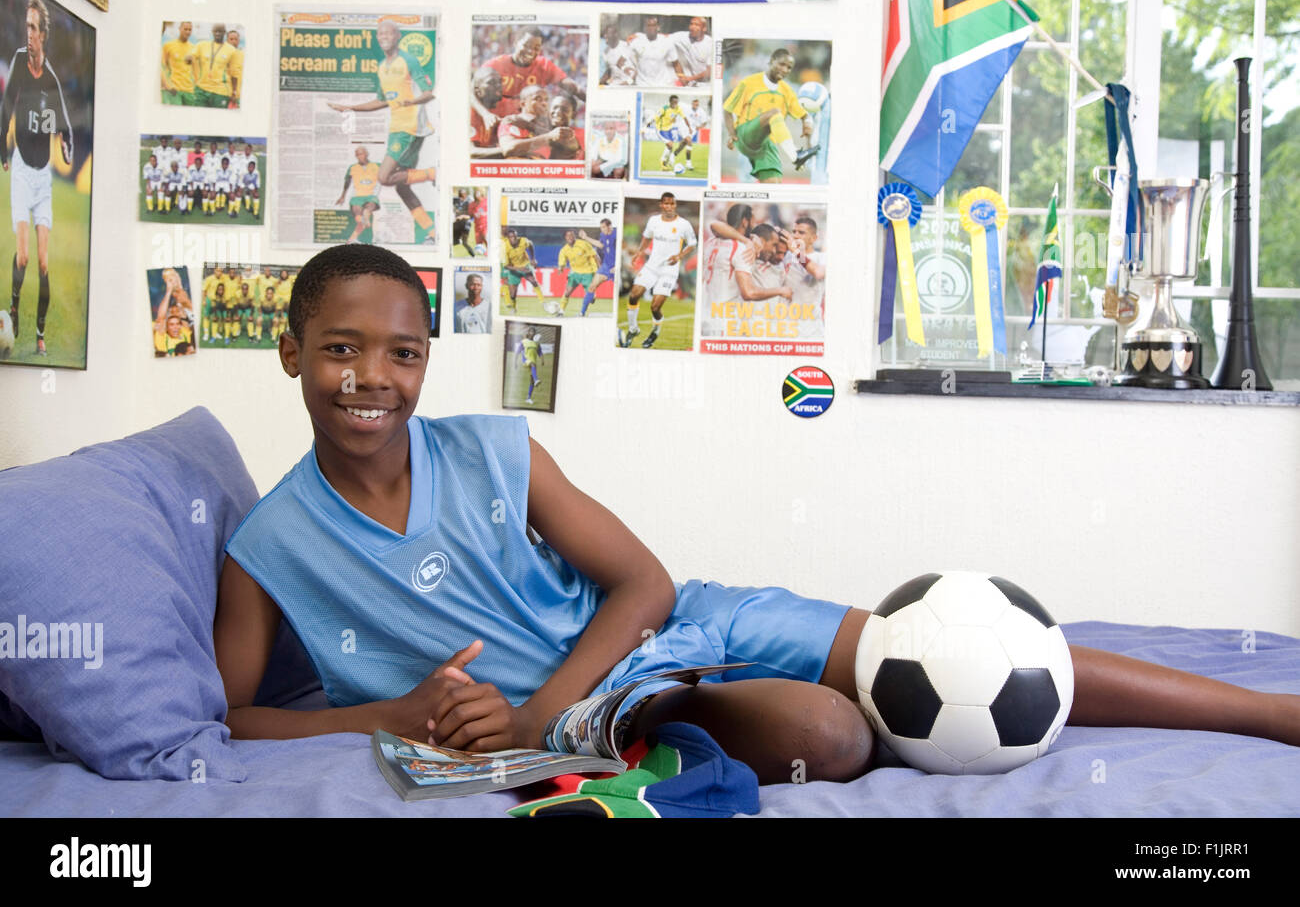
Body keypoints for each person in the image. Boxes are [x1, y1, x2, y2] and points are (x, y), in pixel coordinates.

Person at [214, 243, 1300, 785]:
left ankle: (1268, 713)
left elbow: (642, 581)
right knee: (826, 732)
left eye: (400, 352)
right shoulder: (267, 544)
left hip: (660, 631)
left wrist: (541, 709)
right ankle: (700, 710)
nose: (371, 377)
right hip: (613, 711)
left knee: (940, 644)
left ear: (423, 361)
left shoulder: (494, 447)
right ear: (291, 354)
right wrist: (388, 715)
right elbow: (231, 717)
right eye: (340, 348)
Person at [2, 0, 74, 358]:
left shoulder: (50, 79)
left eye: (34, 28)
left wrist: (66, 147)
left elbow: (66, 127)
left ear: (43, 34)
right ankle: (13, 309)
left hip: (43, 179)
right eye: (26, 26)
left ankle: (40, 335)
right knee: (24, 257)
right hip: (20, 174)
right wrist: (3, 150)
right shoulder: (17, 63)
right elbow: (5, 108)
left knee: (44, 262)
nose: (28, 33)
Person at [327, 19, 437, 245]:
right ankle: (432, 232)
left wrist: (411, 102)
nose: (383, 37)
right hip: (396, 128)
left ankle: (431, 174)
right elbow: (381, 100)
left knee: (384, 177)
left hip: (410, 127)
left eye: (388, 33)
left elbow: (428, 92)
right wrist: (351, 108)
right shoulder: (382, 67)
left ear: (397, 36)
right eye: (380, 34)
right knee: (401, 187)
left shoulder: (409, 60)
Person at [723, 48, 819, 183]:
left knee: (774, 184)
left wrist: (807, 124)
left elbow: (805, 115)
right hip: (746, 137)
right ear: (771, 61)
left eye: (789, 67)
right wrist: (731, 134)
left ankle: (796, 158)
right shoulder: (749, 83)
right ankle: (795, 156)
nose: (785, 69)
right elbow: (727, 109)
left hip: (766, 145)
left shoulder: (787, 91)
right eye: (781, 64)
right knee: (774, 113)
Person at [620, 192, 696, 349]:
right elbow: (647, 237)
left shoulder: (684, 224)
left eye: (672, 204)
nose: (669, 207)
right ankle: (633, 329)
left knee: (655, 307)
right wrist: (639, 252)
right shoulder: (653, 220)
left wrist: (679, 255)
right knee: (634, 295)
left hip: (669, 270)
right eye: (666, 204)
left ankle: (655, 332)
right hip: (651, 266)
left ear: (675, 205)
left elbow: (692, 244)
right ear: (661, 205)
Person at [336, 147, 380, 244]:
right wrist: (343, 196)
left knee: (369, 207)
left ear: (366, 154)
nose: (360, 156)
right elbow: (347, 182)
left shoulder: (377, 165)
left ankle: (366, 216)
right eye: (357, 154)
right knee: (358, 217)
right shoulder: (352, 168)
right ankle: (351, 240)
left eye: (362, 154)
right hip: (357, 197)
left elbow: (389, 170)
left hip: (371, 195)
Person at [555, 229, 600, 316]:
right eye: (568, 236)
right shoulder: (564, 250)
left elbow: (595, 256)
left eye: (572, 235)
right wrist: (560, 268)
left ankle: (589, 300)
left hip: (588, 272)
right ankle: (561, 311)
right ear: (565, 238)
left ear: (574, 236)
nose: (570, 237)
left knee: (590, 297)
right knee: (567, 292)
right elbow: (562, 263)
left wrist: (600, 268)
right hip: (575, 273)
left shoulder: (583, 244)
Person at [500, 227, 543, 316]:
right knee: (513, 293)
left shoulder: (523, 241)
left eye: (515, 237)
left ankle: (543, 302)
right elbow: (506, 266)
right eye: (511, 237)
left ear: (517, 236)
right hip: (513, 268)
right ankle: (513, 308)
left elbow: (530, 244)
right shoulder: (504, 248)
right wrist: (519, 269)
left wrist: (533, 259)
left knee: (533, 281)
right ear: (508, 238)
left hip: (525, 264)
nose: (513, 239)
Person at [578, 219, 617, 317]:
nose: (602, 229)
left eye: (603, 227)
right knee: (592, 287)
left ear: (609, 226)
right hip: (606, 266)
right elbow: (600, 244)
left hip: (616, 267)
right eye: (601, 227)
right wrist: (585, 237)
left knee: (619, 292)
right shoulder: (603, 235)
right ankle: (582, 312)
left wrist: (617, 266)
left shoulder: (617, 235)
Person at [194, 22, 237, 109]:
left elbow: (234, 74)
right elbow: (191, 56)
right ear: (212, 32)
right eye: (216, 31)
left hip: (220, 92)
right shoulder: (202, 45)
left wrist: (234, 92)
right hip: (202, 89)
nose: (218, 34)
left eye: (220, 31)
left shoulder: (231, 50)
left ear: (225, 32)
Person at [653, 95, 694, 173]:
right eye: (674, 102)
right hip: (661, 129)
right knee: (670, 145)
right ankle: (663, 161)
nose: (676, 104)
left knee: (672, 146)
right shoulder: (664, 108)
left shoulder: (678, 108)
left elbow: (685, 118)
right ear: (670, 102)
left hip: (669, 129)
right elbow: (656, 117)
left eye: (677, 102)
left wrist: (689, 127)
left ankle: (667, 161)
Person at [160, 21, 197, 106]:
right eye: (185, 29)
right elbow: (163, 67)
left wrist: (195, 88)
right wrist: (168, 86)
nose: (187, 32)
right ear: (180, 29)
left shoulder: (193, 48)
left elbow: (196, 72)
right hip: (175, 90)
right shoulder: (168, 45)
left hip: (189, 91)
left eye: (190, 30)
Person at [668, 17, 712, 87]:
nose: (692, 27)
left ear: (704, 29)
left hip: (708, 85)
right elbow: (666, 37)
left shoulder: (710, 44)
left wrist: (689, 79)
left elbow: (710, 72)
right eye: (691, 24)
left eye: (696, 25)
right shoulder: (684, 37)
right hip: (692, 84)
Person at [515, 326, 543, 405]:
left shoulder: (536, 343)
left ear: (535, 334)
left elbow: (540, 352)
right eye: (531, 332)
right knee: (532, 364)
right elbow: (517, 352)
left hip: (533, 364)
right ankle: (536, 379)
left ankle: (528, 398)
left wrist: (542, 360)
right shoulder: (524, 341)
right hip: (526, 362)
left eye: (533, 332)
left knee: (531, 381)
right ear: (528, 333)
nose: (532, 333)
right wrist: (515, 362)